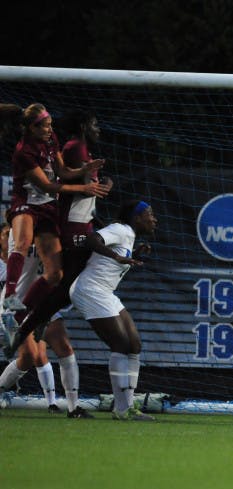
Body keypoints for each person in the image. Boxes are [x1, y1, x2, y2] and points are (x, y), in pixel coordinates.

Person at [4, 110, 110, 362]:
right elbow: (48, 186)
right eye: (44, 126)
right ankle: (10, 300)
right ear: (30, 128)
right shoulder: (24, 152)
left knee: (56, 275)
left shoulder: (53, 141)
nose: (50, 130)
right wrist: (84, 186)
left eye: (51, 125)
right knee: (21, 242)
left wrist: (85, 170)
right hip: (27, 204)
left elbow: (61, 172)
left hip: (49, 210)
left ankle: (21, 320)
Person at [69, 199, 157, 421]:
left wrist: (133, 255)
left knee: (134, 345)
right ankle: (123, 409)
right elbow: (92, 239)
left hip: (105, 292)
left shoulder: (129, 235)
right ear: (137, 218)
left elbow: (112, 263)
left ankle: (128, 404)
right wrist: (117, 256)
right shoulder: (120, 229)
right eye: (150, 214)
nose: (154, 218)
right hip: (90, 290)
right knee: (121, 344)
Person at [0, 220, 91, 417]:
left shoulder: (51, 236)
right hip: (20, 304)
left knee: (65, 349)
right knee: (29, 357)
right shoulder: (20, 237)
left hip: (44, 303)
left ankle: (73, 408)